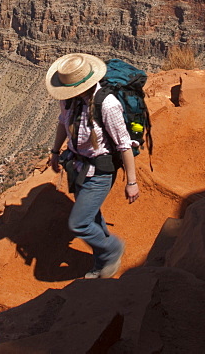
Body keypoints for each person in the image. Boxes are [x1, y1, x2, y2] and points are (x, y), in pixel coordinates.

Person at [46, 52, 139, 279]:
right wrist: (55, 152)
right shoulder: (68, 100)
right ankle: (102, 264)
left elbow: (124, 145)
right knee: (93, 218)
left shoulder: (107, 104)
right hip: (77, 167)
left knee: (79, 223)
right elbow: (62, 124)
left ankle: (113, 249)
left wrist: (132, 182)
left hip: (100, 173)